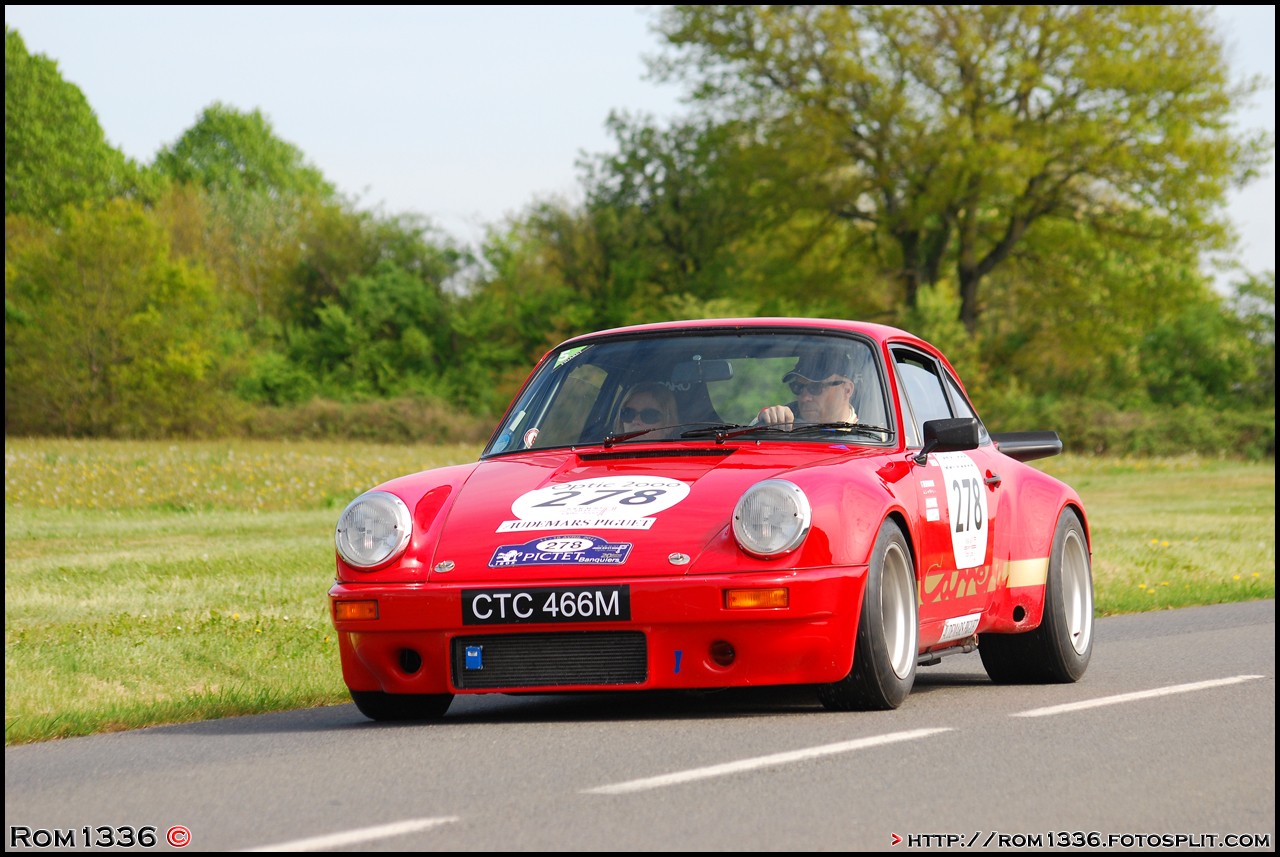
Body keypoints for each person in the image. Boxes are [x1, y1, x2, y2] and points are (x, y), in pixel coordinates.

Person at [758, 351, 859, 429]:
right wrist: (767, 419)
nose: (805, 398)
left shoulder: (865, 434)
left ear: (847, 390)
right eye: (798, 387)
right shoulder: (783, 422)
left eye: (816, 387)